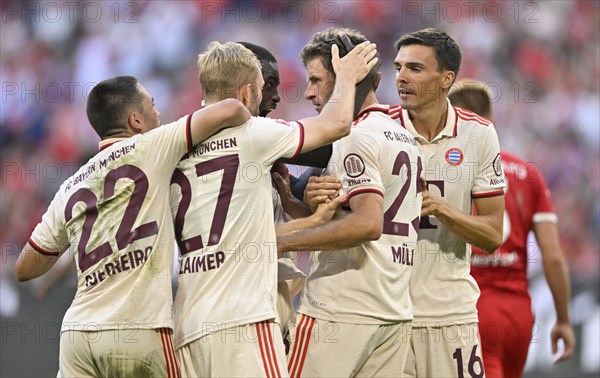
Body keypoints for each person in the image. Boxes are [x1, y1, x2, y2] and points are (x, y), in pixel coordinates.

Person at [14, 75, 252, 377]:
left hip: (77, 335)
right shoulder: (155, 144)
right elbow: (230, 108)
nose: (159, 112)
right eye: (152, 105)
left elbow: (24, 268)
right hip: (139, 326)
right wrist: (253, 134)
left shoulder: (70, 186)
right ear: (136, 119)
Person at [170, 40, 378, 377]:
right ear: (246, 89)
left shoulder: (173, 142)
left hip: (190, 316)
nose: (276, 98)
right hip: (245, 313)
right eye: (267, 86)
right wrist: (347, 78)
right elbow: (336, 131)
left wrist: (299, 195)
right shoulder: (256, 136)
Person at [276, 27, 423, 378]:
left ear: (347, 76)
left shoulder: (353, 138)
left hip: (340, 309)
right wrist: (296, 203)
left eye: (316, 80)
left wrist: (279, 240)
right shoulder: (404, 136)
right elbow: (358, 219)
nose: (309, 92)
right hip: (392, 309)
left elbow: (366, 224)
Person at [390, 28, 506, 377]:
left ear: (446, 79)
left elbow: (491, 235)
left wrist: (441, 207)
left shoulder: (479, 133)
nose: (401, 78)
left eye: (415, 68)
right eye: (398, 68)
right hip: (386, 311)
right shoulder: (376, 128)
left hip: (450, 313)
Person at [448, 80, 576, 377]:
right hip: (518, 313)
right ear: (491, 121)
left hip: (470, 308)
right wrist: (563, 320)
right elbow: (554, 257)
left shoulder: (449, 171)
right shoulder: (528, 173)